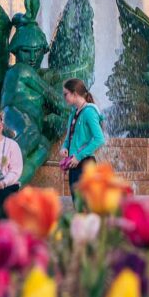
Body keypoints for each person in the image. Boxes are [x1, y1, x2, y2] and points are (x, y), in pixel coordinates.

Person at [59, 78, 105, 206]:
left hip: (85, 165)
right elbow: (69, 137)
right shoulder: (73, 113)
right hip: (75, 165)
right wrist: (64, 147)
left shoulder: (89, 112)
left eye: (65, 94)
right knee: (78, 206)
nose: (64, 97)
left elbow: (99, 139)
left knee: (86, 207)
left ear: (74, 93)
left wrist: (78, 156)